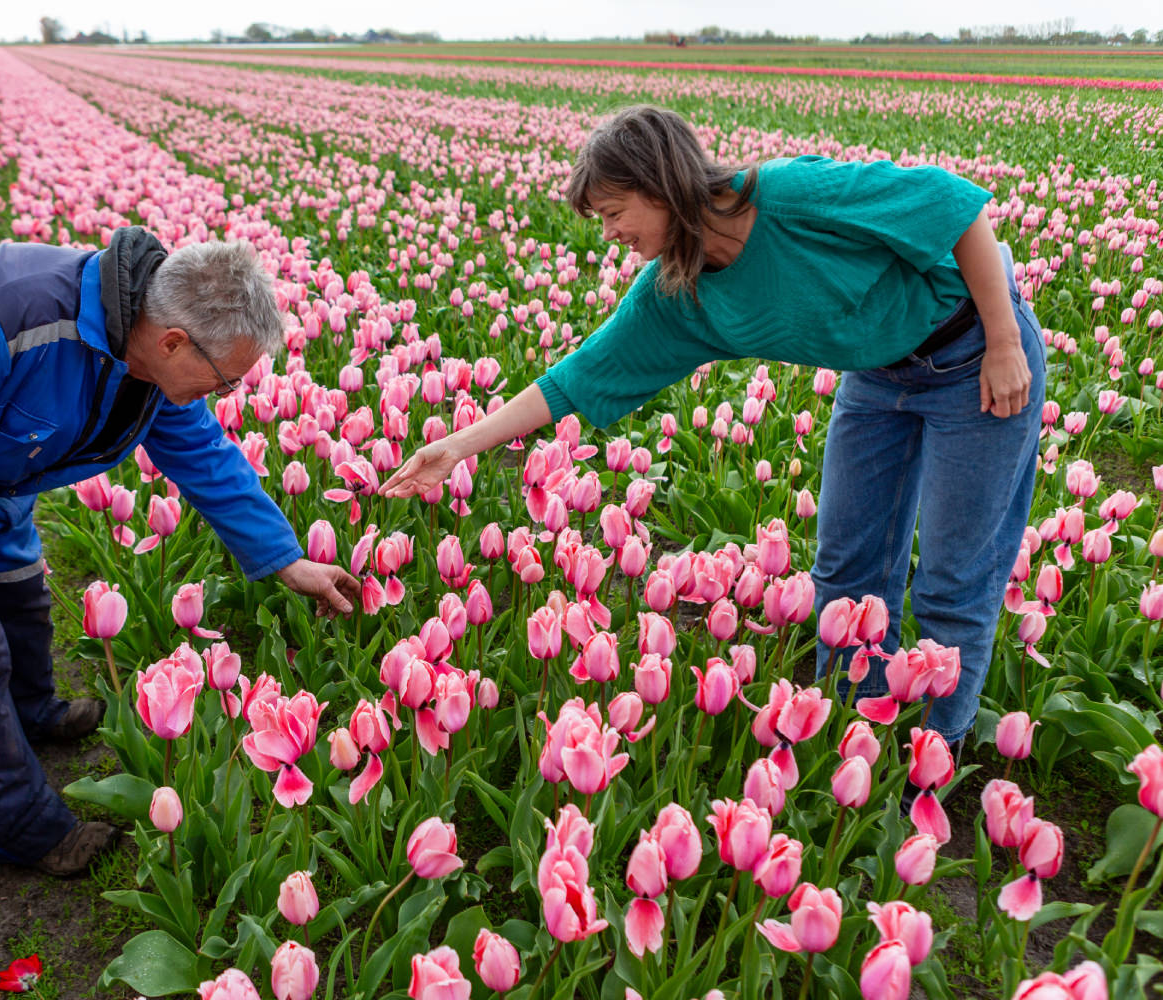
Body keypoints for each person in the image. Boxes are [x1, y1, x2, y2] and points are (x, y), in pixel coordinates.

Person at [382, 105, 1045, 756]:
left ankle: (930, 758)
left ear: (659, 184)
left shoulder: (788, 196)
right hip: (875, 377)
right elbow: (580, 375)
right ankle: (854, 747)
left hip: (973, 356)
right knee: (845, 571)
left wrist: (1005, 338)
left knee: (953, 582)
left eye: (615, 213)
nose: (610, 233)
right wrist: (457, 446)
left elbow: (955, 207)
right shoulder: (676, 290)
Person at [0, 227, 360, 876]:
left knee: (19, 588)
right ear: (174, 341)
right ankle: (25, 831)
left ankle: (31, 712)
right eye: (223, 382)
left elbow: (202, 455)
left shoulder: (142, 349)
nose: (222, 395)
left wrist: (286, 559)